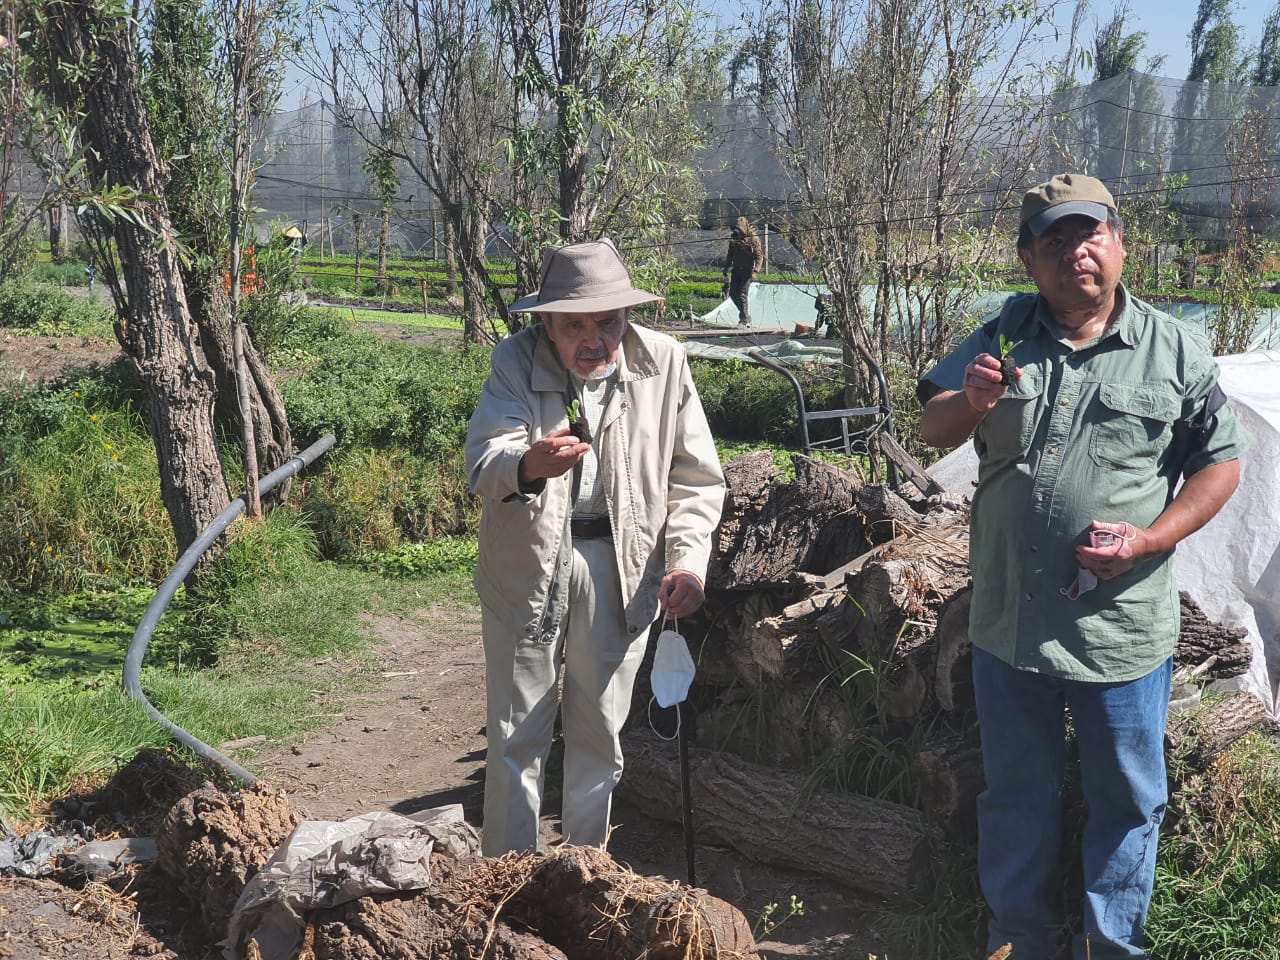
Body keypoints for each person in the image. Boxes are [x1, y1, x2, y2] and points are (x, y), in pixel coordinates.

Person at [917, 173, 1246, 959]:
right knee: (1017, 797)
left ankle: (1110, 948)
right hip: (1011, 623)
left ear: (1120, 243)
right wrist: (970, 401)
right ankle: (1018, 942)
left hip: (1120, 630)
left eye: (1091, 234)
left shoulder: (1173, 348)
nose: (1078, 254)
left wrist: (1149, 540)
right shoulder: (1002, 332)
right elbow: (931, 427)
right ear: (1030, 261)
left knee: (1128, 802)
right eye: (1056, 242)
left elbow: (1220, 466)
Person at [465, 238, 726, 857]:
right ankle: (507, 888)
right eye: (574, 325)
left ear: (626, 318)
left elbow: (695, 479)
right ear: (546, 326)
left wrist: (688, 562)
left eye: (607, 322)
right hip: (528, 564)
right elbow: (484, 458)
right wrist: (529, 463)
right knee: (515, 736)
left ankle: (583, 880)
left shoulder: (665, 362)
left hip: (624, 567)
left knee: (599, 737)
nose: (594, 339)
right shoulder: (514, 361)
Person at [723, 216, 762, 326]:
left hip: (747, 271)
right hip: (736, 270)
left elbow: (759, 257)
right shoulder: (734, 238)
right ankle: (745, 314)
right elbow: (730, 253)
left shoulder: (753, 239)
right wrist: (726, 267)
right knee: (733, 294)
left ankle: (743, 320)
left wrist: (756, 272)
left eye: (740, 230)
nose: (737, 233)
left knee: (742, 294)